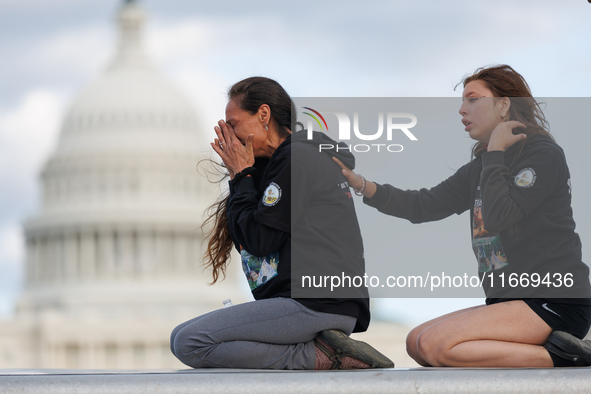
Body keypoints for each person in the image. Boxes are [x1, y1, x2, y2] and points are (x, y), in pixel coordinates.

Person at [334, 65, 591, 367]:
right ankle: (556, 354)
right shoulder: (480, 168)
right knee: (416, 342)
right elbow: (424, 205)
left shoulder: (542, 154)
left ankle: (567, 356)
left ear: (503, 104)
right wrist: (363, 185)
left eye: (472, 99)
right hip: (510, 302)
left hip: (553, 299)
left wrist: (494, 150)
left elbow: (498, 216)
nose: (461, 109)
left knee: (434, 346)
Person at [169, 76, 393, 370]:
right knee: (178, 337)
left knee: (190, 342)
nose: (228, 136)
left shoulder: (297, 159)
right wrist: (244, 178)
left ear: (263, 115)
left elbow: (260, 242)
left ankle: (323, 356)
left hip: (318, 302)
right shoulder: (278, 165)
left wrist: (241, 176)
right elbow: (248, 237)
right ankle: (322, 350)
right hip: (309, 300)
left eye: (233, 124)